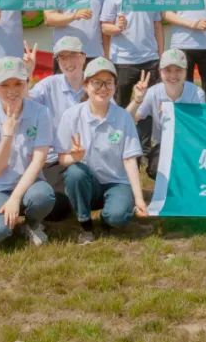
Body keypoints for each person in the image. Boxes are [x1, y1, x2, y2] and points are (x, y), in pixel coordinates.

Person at [56, 58, 148, 244]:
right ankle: (85, 225)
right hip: (88, 184)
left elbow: (130, 160)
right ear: (86, 85)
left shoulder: (123, 117)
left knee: (118, 217)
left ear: (114, 86)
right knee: (74, 172)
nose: (103, 88)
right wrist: (74, 157)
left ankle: (108, 219)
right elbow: (61, 159)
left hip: (116, 182)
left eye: (108, 83)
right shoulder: (71, 116)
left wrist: (139, 199)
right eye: (97, 83)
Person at [0, 57, 56, 245]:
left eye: (18, 83)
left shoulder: (41, 113)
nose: (12, 90)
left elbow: (38, 160)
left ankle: (31, 224)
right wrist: (7, 135)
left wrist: (15, 198)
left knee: (43, 196)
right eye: (4, 85)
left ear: (27, 83)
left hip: (28, 184)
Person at [29, 36, 88, 220]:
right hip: (56, 160)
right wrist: (27, 74)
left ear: (83, 57)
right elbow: (24, 102)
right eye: (63, 57)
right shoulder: (48, 85)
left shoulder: (95, 84)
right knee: (57, 209)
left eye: (73, 56)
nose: (68, 62)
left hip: (91, 156)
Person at [127, 48, 206, 179]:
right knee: (155, 169)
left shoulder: (197, 94)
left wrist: (175, 113)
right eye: (168, 70)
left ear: (186, 71)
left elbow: (199, 126)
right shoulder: (153, 92)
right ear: (160, 72)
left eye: (178, 70)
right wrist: (137, 100)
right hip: (163, 144)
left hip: (190, 144)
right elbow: (128, 119)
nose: (173, 75)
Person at [100, 0, 163, 107]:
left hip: (150, 59)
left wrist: (161, 55)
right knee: (120, 106)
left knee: (150, 107)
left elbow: (157, 26)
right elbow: (104, 27)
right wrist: (116, 28)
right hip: (123, 61)